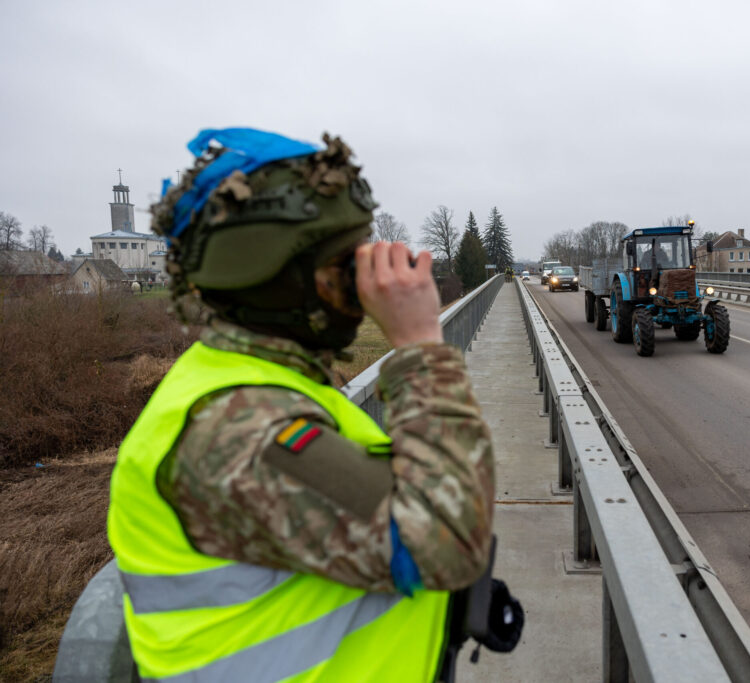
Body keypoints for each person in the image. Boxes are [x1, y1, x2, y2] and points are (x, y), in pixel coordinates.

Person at [107, 128, 519, 682]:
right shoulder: (236, 427)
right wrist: (422, 348)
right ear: (278, 279)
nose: (366, 280)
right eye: (346, 264)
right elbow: (445, 540)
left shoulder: (266, 382)